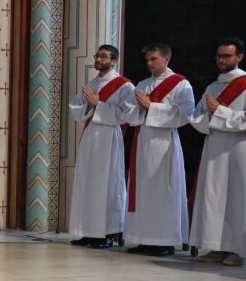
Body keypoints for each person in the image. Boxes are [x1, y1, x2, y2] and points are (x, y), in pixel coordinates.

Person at [124, 44, 194, 256]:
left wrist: (151, 107)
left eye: (153, 59)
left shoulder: (181, 84)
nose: (149, 63)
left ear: (166, 59)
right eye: (147, 60)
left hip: (165, 145)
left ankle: (164, 241)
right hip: (143, 142)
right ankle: (144, 238)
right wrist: (140, 108)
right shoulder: (143, 84)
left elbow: (185, 113)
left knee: (164, 190)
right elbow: (129, 112)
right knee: (143, 191)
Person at [67, 45, 135, 248]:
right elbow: (77, 109)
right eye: (97, 55)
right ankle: (87, 231)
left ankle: (106, 234)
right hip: (90, 138)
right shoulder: (92, 82)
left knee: (106, 184)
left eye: (104, 56)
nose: (99, 59)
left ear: (114, 61)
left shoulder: (125, 86)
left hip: (108, 139)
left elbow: (126, 115)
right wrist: (90, 105)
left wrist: (99, 104)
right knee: (87, 183)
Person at [189, 38, 246, 266]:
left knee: (237, 198)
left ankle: (239, 250)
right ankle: (216, 246)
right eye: (219, 56)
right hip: (213, 147)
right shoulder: (212, 87)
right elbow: (196, 117)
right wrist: (213, 116)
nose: (221, 60)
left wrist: (220, 112)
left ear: (239, 57)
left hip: (238, 149)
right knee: (214, 197)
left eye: (227, 56)